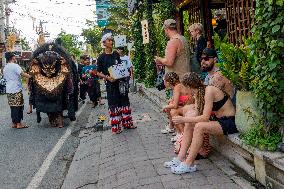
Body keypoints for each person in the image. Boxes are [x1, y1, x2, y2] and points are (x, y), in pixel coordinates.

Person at [164, 72, 238, 174]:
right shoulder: (199, 92)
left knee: (199, 126)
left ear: (189, 87)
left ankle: (188, 164)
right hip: (218, 120)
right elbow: (198, 113)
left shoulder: (209, 91)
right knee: (191, 122)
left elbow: (204, 117)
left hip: (229, 122)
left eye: (185, 88)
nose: (185, 91)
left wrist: (183, 120)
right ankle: (180, 158)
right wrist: (188, 118)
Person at [28, 43, 78, 128]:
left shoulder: (64, 63)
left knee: (61, 101)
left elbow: (69, 72)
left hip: (59, 82)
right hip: (43, 84)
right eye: (46, 68)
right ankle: (54, 119)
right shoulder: (37, 62)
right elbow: (32, 74)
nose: (49, 71)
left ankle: (59, 120)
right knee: (51, 103)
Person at [155, 19, 191, 134]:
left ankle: (179, 133)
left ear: (166, 29)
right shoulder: (183, 39)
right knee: (180, 105)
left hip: (176, 80)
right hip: (185, 76)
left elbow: (169, 62)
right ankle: (172, 126)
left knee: (173, 106)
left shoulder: (173, 42)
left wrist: (159, 59)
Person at [96, 33, 135, 134]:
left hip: (121, 83)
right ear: (104, 43)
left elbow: (120, 66)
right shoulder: (101, 57)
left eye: (111, 40)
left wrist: (124, 74)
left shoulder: (116, 54)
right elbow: (98, 72)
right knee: (114, 104)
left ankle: (128, 124)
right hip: (110, 85)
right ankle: (116, 127)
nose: (111, 42)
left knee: (124, 101)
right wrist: (107, 77)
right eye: (109, 40)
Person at [162, 72, 194, 153]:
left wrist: (165, 107)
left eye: (164, 81)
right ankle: (177, 131)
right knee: (170, 107)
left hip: (190, 108)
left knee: (173, 111)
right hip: (188, 107)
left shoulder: (177, 87)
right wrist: (170, 103)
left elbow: (175, 105)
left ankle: (182, 134)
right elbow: (173, 100)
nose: (163, 83)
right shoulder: (177, 86)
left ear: (168, 82)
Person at [3, 52, 30, 129]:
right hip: (16, 89)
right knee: (18, 106)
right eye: (14, 56)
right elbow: (22, 74)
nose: (15, 58)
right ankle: (19, 124)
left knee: (13, 106)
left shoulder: (5, 67)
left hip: (9, 89)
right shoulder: (15, 66)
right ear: (12, 57)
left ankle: (14, 123)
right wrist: (31, 76)